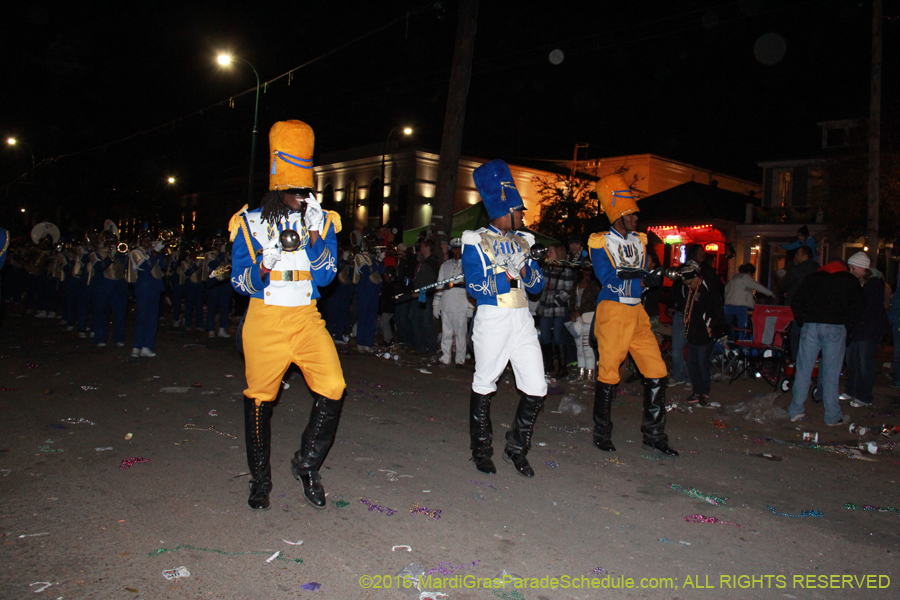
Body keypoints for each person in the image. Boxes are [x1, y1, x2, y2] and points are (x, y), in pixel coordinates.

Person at [229, 120, 345, 511]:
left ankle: (307, 465)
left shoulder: (322, 220)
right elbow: (239, 282)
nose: (304, 197)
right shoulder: (248, 222)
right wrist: (264, 265)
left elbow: (326, 275)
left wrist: (315, 235)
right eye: (297, 191)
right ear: (279, 189)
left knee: (333, 384)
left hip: (306, 318)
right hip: (265, 319)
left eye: (306, 190)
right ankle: (260, 481)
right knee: (261, 397)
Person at [462, 159, 546, 477]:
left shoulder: (525, 242)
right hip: (493, 317)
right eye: (520, 211)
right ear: (506, 209)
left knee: (537, 386)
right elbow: (475, 285)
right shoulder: (475, 239)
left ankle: (516, 448)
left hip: (522, 318)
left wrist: (523, 266)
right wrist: (507, 274)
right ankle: (481, 450)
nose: (523, 217)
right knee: (485, 384)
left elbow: (537, 286)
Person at [589, 173, 677, 457]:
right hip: (613, 311)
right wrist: (643, 281)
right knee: (609, 373)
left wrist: (657, 275)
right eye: (633, 215)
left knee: (656, 370)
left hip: (636, 311)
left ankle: (654, 434)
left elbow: (642, 274)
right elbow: (607, 279)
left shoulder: (639, 241)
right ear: (620, 216)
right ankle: (601, 432)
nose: (637, 220)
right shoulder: (600, 242)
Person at [787, 259, 865, 426]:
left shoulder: (812, 278)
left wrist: (803, 320)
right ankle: (832, 415)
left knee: (803, 369)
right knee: (831, 373)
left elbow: (796, 301)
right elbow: (858, 306)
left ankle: (795, 410)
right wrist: (848, 325)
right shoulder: (849, 280)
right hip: (835, 327)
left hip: (811, 325)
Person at [844, 252, 889, 408]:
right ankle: (852, 390)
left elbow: (869, 309)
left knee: (865, 363)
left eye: (853, 268)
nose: (851, 271)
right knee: (852, 361)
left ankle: (865, 396)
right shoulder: (860, 283)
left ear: (862, 268)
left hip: (869, 330)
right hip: (858, 328)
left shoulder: (874, 284)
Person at [683, 261, 728, 405]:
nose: (688, 286)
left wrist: (712, 327)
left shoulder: (709, 289)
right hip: (693, 332)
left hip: (705, 333)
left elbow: (717, 311)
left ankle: (704, 392)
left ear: (697, 277)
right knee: (692, 363)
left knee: (702, 363)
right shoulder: (691, 290)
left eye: (690, 282)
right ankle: (697, 390)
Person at [537, 243, 574, 379]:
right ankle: (549, 364)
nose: (548, 254)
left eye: (551, 252)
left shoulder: (566, 269)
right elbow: (541, 285)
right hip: (545, 305)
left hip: (558, 307)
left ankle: (563, 367)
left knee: (558, 336)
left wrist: (555, 301)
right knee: (545, 336)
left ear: (558, 253)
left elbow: (568, 290)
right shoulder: (546, 268)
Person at [434, 237, 469, 367]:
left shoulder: (468, 266)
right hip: (446, 302)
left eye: (459, 249)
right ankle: (445, 357)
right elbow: (439, 285)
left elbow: (471, 288)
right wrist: (436, 304)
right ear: (451, 249)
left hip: (461, 304)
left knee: (460, 334)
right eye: (455, 248)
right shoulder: (445, 265)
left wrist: (470, 307)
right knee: (446, 333)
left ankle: (460, 359)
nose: (457, 251)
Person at [130, 233, 167, 357]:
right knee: (142, 317)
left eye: (149, 240)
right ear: (140, 241)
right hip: (144, 286)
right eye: (145, 240)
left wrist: (160, 251)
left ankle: (147, 346)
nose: (147, 243)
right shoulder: (136, 252)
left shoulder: (152, 251)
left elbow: (163, 265)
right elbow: (145, 267)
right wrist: (155, 252)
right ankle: (136, 346)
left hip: (155, 287)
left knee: (152, 318)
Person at [567, 260, 600, 381]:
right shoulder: (577, 282)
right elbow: (572, 299)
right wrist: (573, 312)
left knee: (587, 347)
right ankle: (581, 373)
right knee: (579, 347)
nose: (585, 269)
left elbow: (594, 302)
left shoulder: (595, 283)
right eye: (584, 266)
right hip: (578, 317)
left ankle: (590, 375)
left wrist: (579, 312)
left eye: (588, 266)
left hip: (588, 317)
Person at [724, 263, 774, 337]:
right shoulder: (746, 278)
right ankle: (740, 344)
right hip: (740, 306)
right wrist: (771, 294)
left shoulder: (733, 278)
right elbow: (757, 286)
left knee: (729, 328)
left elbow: (726, 291)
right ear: (749, 272)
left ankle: (729, 343)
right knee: (741, 328)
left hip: (727, 306)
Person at [353, 237, 385, 353]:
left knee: (372, 317)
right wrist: (377, 261)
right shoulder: (359, 256)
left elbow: (381, 272)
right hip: (365, 288)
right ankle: (360, 342)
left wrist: (381, 261)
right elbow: (366, 270)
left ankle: (369, 342)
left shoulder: (373, 257)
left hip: (374, 289)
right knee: (363, 316)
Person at [410, 239, 440, 355]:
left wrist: (423, 292)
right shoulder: (423, 262)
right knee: (416, 321)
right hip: (419, 295)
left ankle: (432, 348)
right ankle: (422, 346)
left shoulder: (432, 263)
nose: (420, 248)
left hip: (426, 297)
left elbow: (431, 282)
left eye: (422, 246)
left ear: (427, 247)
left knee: (426, 322)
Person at [205, 234, 233, 339]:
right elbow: (214, 266)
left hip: (225, 285)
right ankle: (211, 329)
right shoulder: (209, 254)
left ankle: (222, 329)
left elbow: (232, 266)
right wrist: (221, 255)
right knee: (212, 308)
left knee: (225, 308)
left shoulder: (228, 255)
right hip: (214, 284)